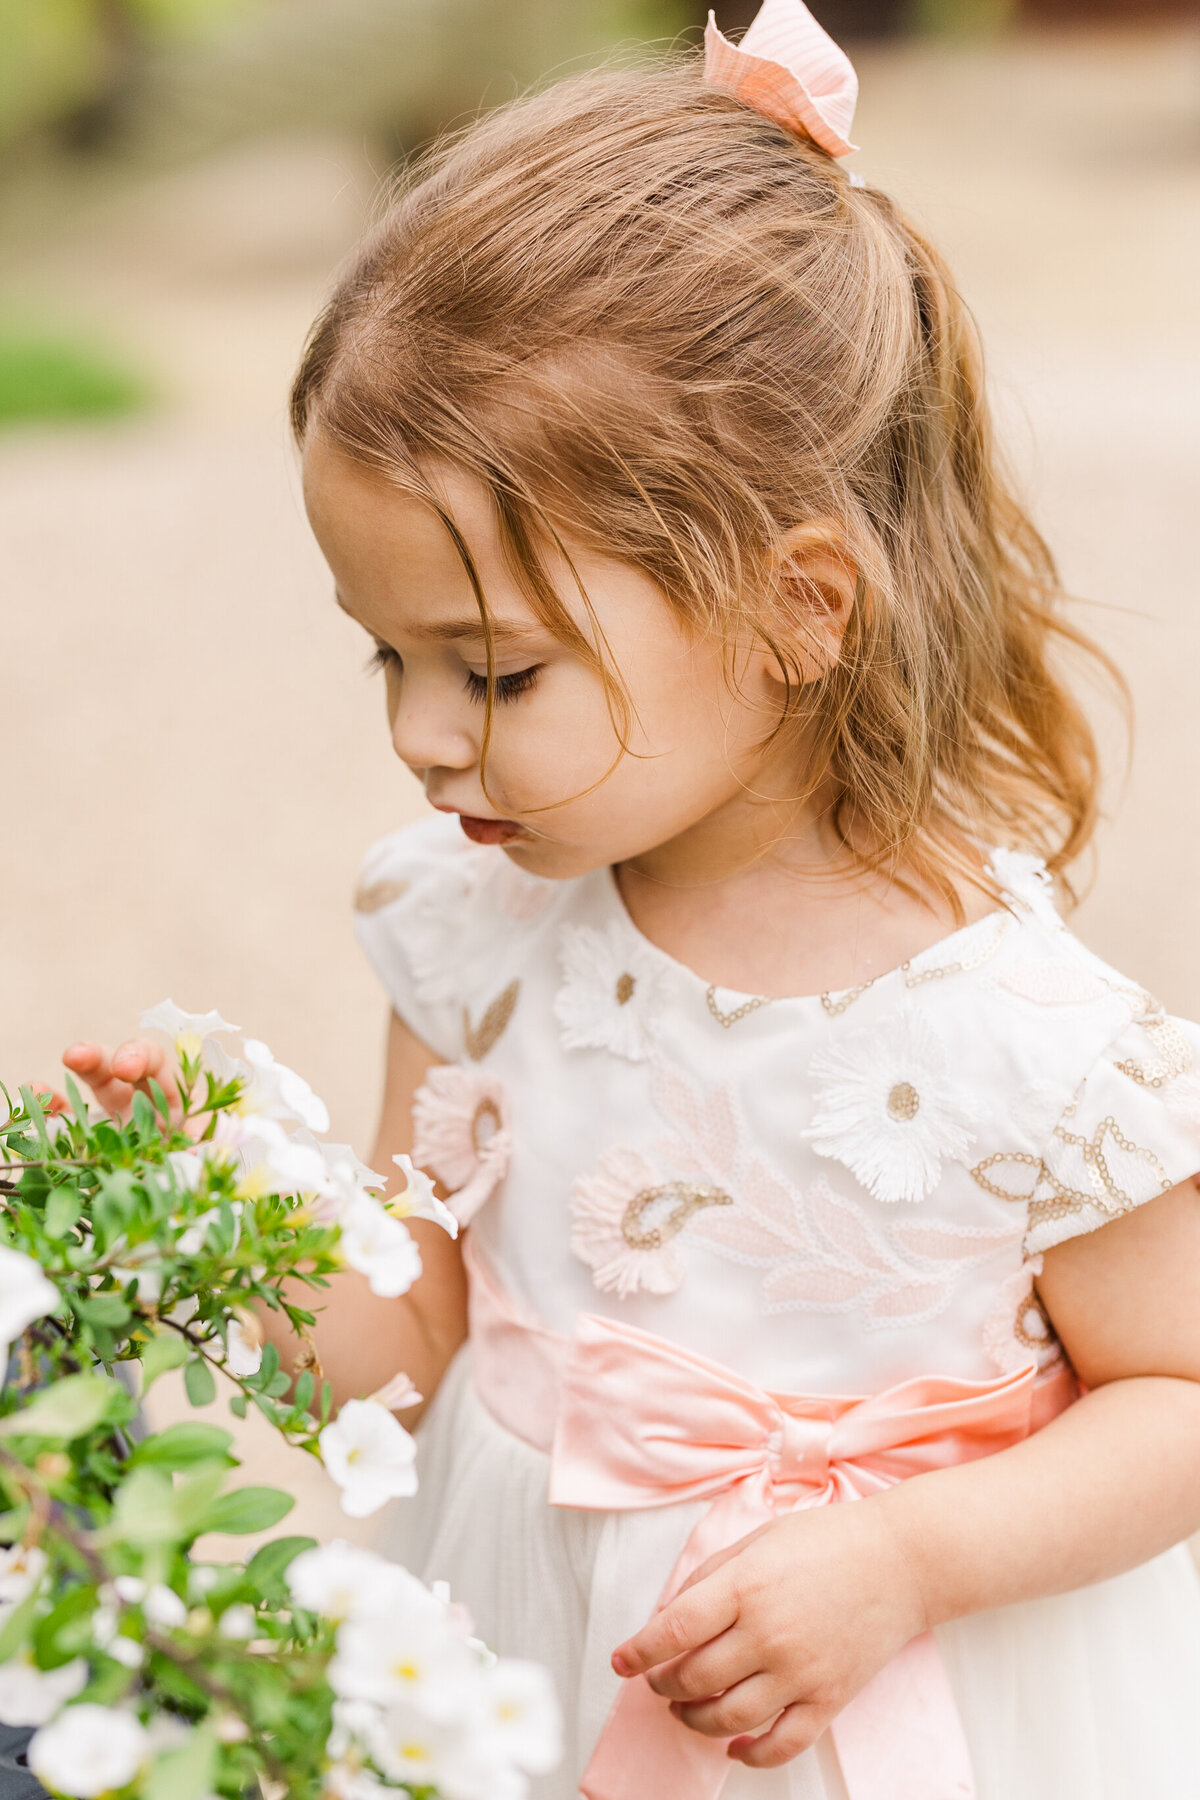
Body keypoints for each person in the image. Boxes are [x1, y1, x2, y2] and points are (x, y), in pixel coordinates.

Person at [60, 3, 1200, 1795]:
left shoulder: (1028, 1044)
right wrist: (224, 1231)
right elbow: (412, 1344)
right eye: (390, 659)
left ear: (796, 609)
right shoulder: (468, 937)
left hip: (884, 1701)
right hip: (527, 1637)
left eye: (496, 674)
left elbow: (1181, 1401)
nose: (426, 740)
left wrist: (912, 1557)